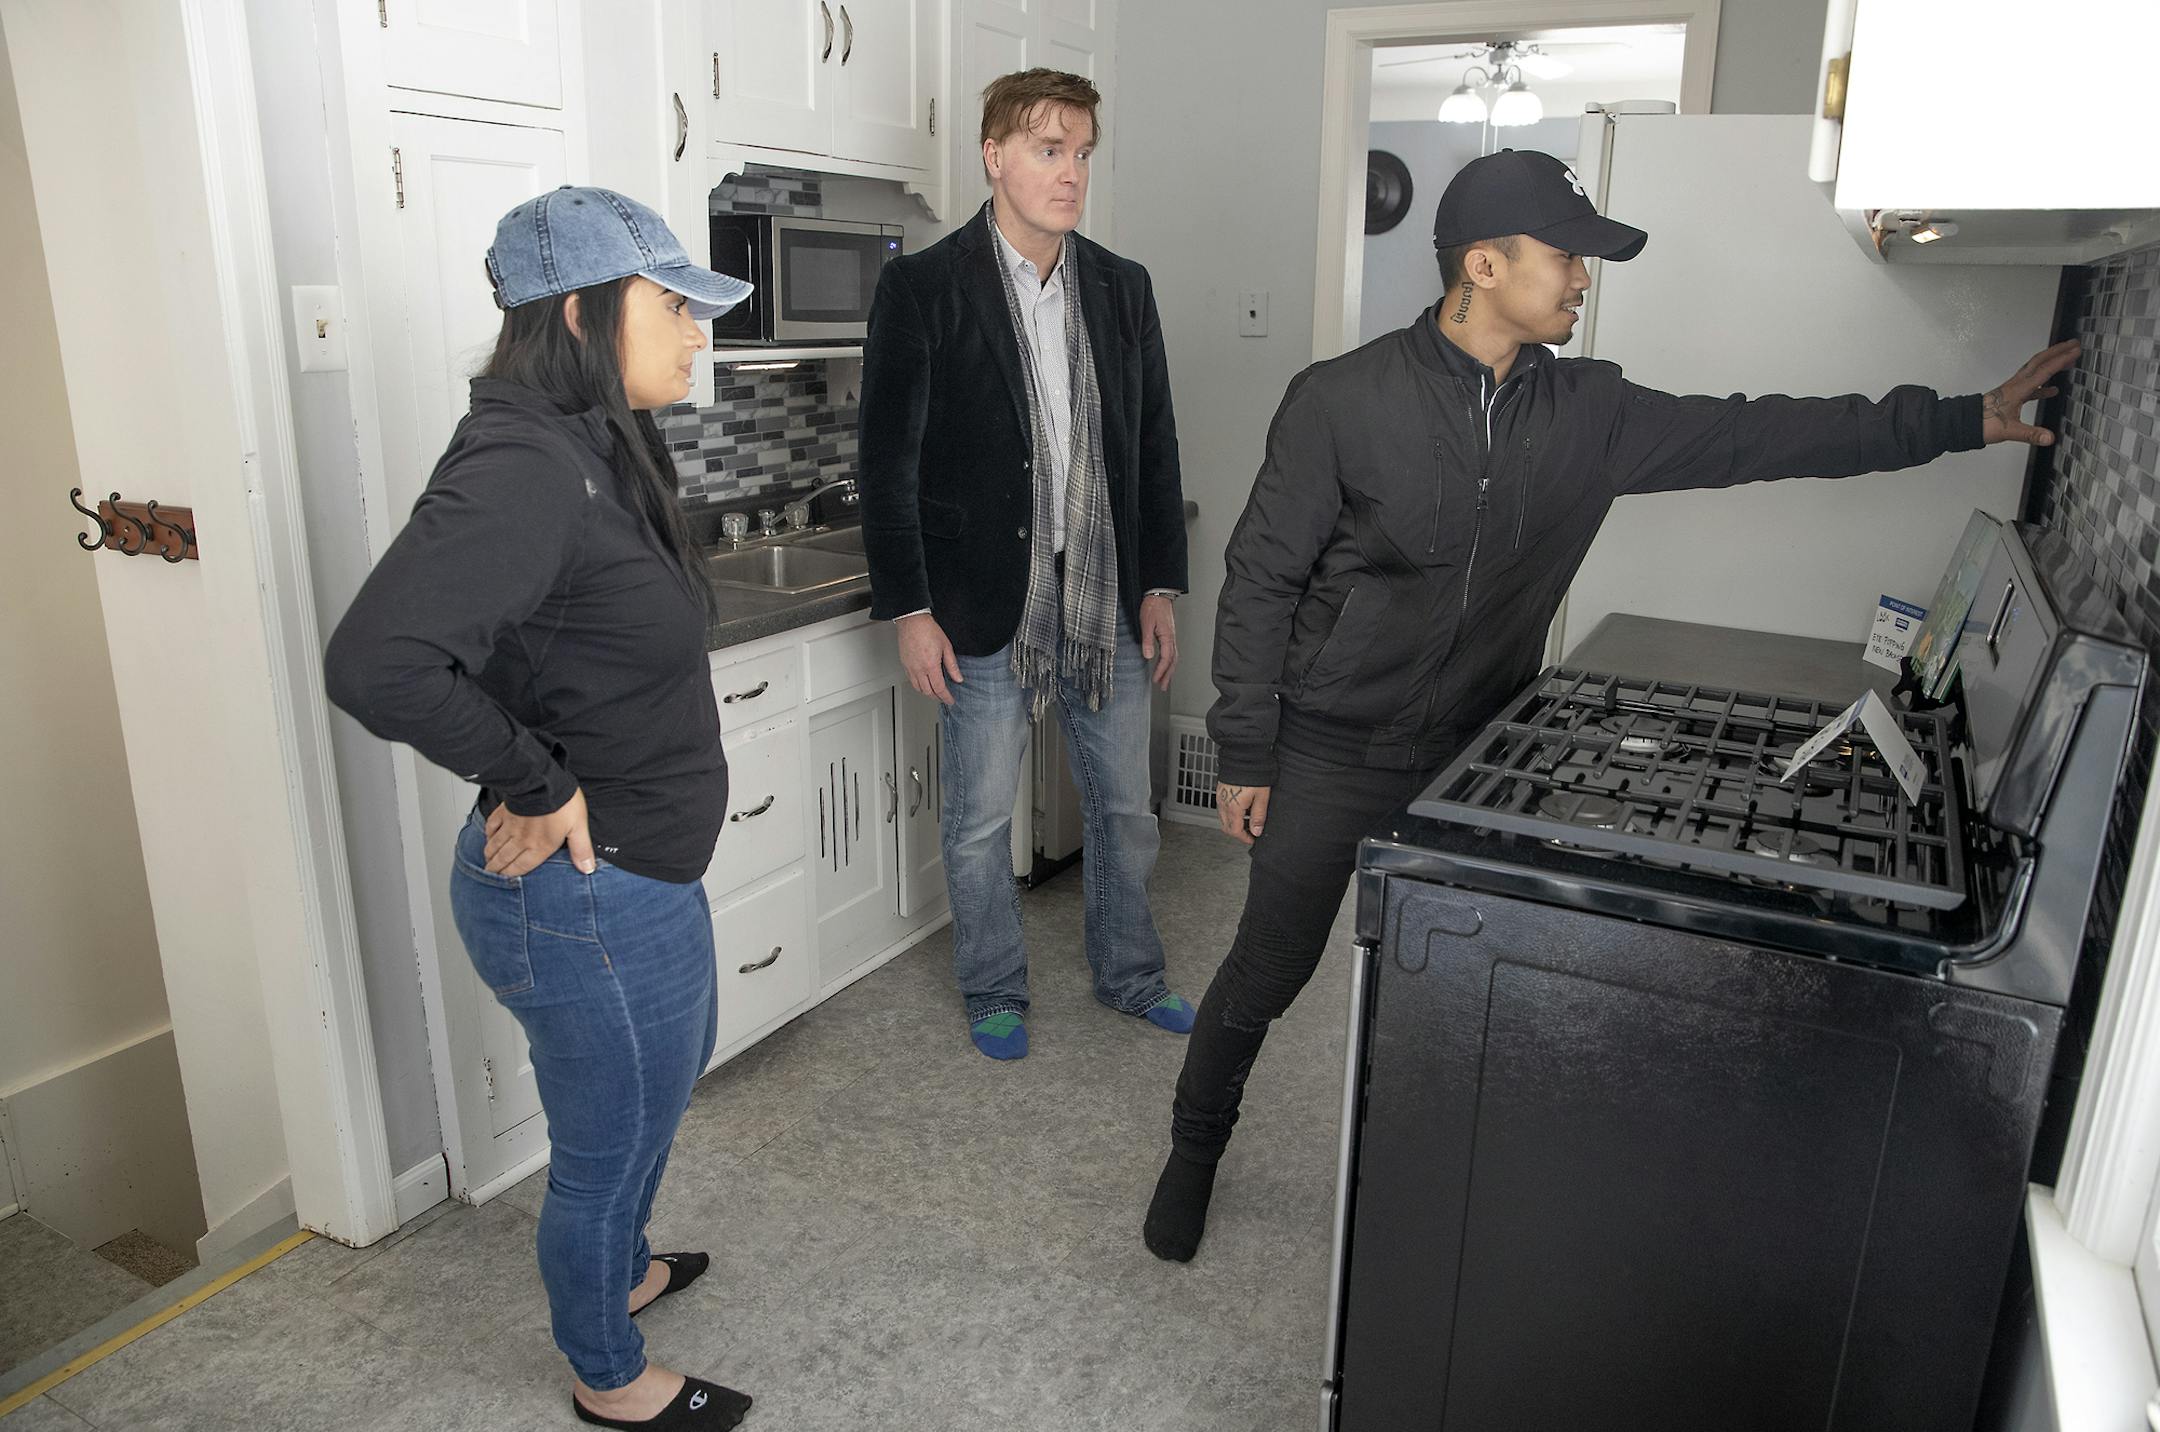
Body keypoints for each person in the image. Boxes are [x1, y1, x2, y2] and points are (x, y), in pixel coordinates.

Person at [1141, 148, 2079, 1262]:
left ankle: (1435, 1206)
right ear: (1482, 266)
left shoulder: (1594, 412)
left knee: (1460, 991)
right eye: (1566, 257)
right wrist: (1245, 747)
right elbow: (1260, 581)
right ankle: (1193, 1151)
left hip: (1474, 757)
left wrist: (1962, 418)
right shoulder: (1341, 403)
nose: (1584, 279)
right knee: (1266, 972)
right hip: (1332, 750)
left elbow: (1762, 435)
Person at [325, 186, 757, 1430]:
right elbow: (377, 661)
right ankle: (606, 1371)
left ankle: (622, 1272)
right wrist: (539, 779)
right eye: (672, 304)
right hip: (584, 894)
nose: (695, 333)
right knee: (608, 1145)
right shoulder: (524, 463)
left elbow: (552, 643)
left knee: (655, 1092)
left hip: (634, 875)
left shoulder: (600, 443)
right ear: (578, 312)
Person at [857, 68, 1192, 1061]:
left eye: (1083, 153)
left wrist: (1160, 584)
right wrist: (911, 607)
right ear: (994, 156)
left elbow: (1155, 444)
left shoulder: (1121, 288)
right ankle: (993, 989)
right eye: (1050, 151)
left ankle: (1130, 975)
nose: (1071, 174)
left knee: (1126, 810)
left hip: (1105, 593)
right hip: (977, 599)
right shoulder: (923, 288)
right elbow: (886, 461)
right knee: (977, 822)